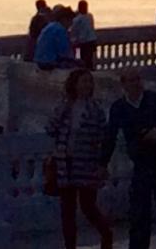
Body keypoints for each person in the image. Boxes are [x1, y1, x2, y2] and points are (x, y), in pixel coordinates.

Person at [101, 69, 156, 249]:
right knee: (139, 212)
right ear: (123, 84)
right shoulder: (119, 108)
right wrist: (102, 164)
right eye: (131, 80)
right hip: (141, 164)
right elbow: (110, 137)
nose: (136, 84)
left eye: (138, 79)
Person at [45, 69, 113, 249]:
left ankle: (107, 236)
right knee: (67, 211)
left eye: (89, 82)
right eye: (83, 82)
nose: (87, 86)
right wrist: (63, 109)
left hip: (86, 164)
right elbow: (50, 128)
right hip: (65, 164)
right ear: (74, 84)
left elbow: (102, 137)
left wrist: (101, 164)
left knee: (88, 207)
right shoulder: (64, 107)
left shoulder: (95, 109)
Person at [70, 0, 98, 70]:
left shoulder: (77, 19)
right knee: (89, 60)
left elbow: (74, 31)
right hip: (91, 40)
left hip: (83, 43)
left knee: (83, 59)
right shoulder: (90, 16)